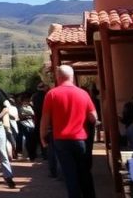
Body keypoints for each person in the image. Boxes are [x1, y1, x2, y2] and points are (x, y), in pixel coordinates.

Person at [41, 65, 98, 198]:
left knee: (70, 175)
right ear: (72, 76)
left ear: (58, 77)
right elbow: (93, 117)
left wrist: (43, 137)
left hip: (61, 140)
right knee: (84, 172)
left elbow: (45, 119)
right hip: (80, 139)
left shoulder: (52, 94)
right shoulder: (83, 93)